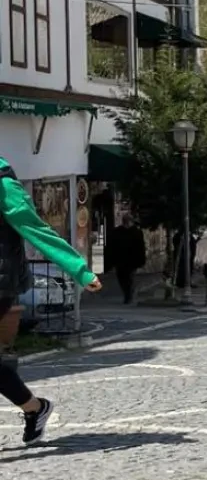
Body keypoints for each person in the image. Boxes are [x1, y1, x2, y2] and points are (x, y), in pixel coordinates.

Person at [0, 160, 102, 444]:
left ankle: (35, 409)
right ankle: (34, 408)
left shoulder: (3, 185)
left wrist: (79, 270)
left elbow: (36, 229)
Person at [104, 216, 146, 303]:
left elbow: (141, 247)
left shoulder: (136, 232)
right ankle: (127, 293)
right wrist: (111, 260)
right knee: (122, 278)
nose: (127, 223)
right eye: (126, 221)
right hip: (121, 260)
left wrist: (141, 260)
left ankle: (128, 295)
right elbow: (111, 247)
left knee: (129, 278)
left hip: (131, 260)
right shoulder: (117, 232)